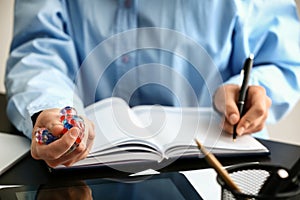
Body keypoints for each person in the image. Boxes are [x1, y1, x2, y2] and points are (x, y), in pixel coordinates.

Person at [5, 0, 300, 168]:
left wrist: (249, 91)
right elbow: (39, 50)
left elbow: (280, 60)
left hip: (214, 165)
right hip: (86, 167)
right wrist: (51, 107)